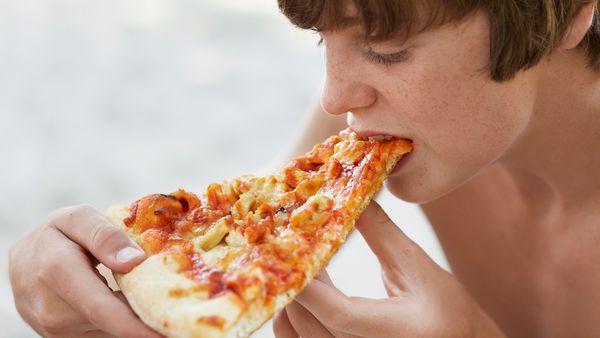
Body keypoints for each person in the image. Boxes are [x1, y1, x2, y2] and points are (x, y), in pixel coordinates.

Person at [9, 0, 600, 337]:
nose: (334, 99)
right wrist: (91, 277)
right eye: (324, 40)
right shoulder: (412, 129)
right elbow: (248, 226)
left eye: (385, 51)